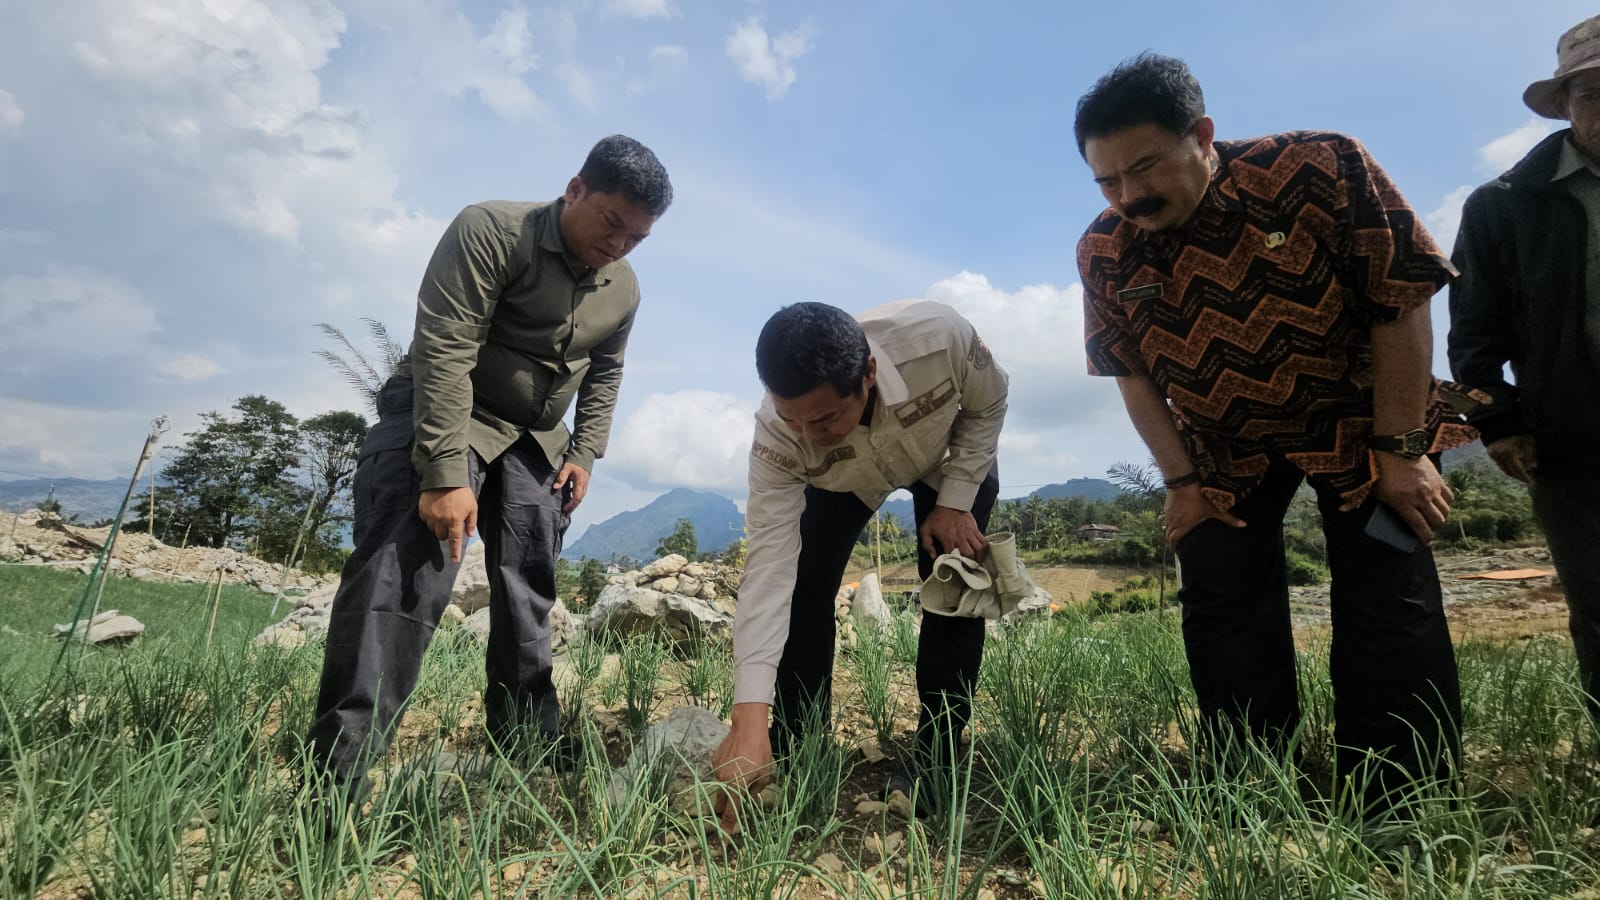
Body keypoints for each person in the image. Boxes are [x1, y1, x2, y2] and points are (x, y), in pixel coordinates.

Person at [1074, 54, 1472, 813]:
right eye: (1107, 181)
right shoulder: (1104, 250)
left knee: (1388, 595)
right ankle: (1248, 787)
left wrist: (1401, 452)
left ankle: (1399, 799)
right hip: (1221, 443)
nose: (1130, 196)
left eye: (1145, 168)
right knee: (1221, 600)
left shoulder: (1319, 167)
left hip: (1359, 420)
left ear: (1203, 136)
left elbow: (1403, 297)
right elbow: (1130, 372)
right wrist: (1182, 485)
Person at [304, 135, 672, 802]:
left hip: (536, 436)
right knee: (407, 568)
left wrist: (585, 452)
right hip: (450, 408)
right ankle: (336, 782)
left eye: (636, 237)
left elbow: (607, 373)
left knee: (529, 577)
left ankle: (528, 750)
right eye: (610, 223)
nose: (618, 245)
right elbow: (445, 344)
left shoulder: (624, 288)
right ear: (575, 190)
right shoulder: (491, 230)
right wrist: (444, 472)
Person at [710, 299, 1008, 827]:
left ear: (868, 374)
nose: (809, 435)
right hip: (842, 482)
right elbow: (768, 574)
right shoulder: (780, 437)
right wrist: (748, 714)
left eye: (824, 418)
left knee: (953, 591)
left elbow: (990, 401)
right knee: (803, 587)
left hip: (947, 459)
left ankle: (939, 753)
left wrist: (956, 500)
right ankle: (797, 751)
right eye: (791, 418)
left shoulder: (940, 340)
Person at [1449, 15, 1600, 729]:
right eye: (1594, 93)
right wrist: (1498, 423)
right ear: (1566, 104)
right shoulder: (1503, 208)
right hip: (1575, 443)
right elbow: (1472, 342)